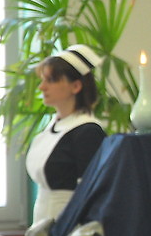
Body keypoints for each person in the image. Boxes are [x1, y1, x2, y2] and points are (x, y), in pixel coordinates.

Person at [25, 44, 107, 226]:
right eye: (43, 80)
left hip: (69, 228)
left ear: (76, 86)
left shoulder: (88, 132)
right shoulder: (51, 128)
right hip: (41, 226)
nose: (42, 87)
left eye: (51, 80)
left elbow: (92, 194)